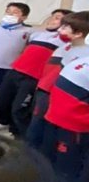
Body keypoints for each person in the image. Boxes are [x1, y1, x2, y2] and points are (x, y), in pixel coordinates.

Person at [0, 8, 71, 138]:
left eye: (57, 18)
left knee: (20, 109)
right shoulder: (37, 34)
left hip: (34, 78)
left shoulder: (64, 42)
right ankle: (5, 123)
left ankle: (18, 134)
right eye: (52, 16)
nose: (51, 20)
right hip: (16, 72)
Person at [39, 49, 89, 182]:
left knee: (71, 170)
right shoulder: (83, 61)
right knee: (67, 168)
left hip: (73, 124)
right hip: (67, 123)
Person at [28, 11, 89, 151]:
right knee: (37, 126)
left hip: (56, 96)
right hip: (45, 89)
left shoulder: (84, 54)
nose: (60, 30)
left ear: (79, 33)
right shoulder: (66, 46)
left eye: (65, 27)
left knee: (40, 131)